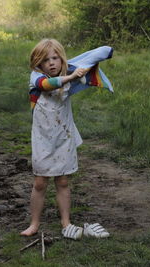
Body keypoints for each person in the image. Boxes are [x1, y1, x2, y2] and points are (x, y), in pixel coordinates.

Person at [21, 38, 113, 240]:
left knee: (62, 181)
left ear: (62, 60)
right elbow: (47, 84)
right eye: (46, 60)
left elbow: (98, 54)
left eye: (55, 58)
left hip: (63, 136)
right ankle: (34, 223)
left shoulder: (67, 78)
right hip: (43, 139)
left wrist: (87, 66)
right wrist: (71, 76)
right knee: (40, 183)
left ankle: (66, 222)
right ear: (38, 63)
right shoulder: (36, 78)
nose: (51, 63)